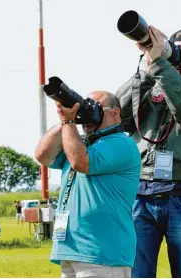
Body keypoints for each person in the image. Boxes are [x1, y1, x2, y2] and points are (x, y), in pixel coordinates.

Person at [115, 26, 181, 278]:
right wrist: (146, 65)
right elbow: (116, 117)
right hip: (140, 194)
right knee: (135, 273)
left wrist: (161, 68)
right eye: (176, 52)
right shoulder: (149, 85)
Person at [34, 91, 141, 278]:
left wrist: (69, 123)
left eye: (95, 109)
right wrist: (66, 120)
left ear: (115, 113)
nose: (88, 115)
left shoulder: (122, 144)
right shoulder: (78, 142)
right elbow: (43, 155)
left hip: (103, 252)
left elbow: (80, 162)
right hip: (72, 248)